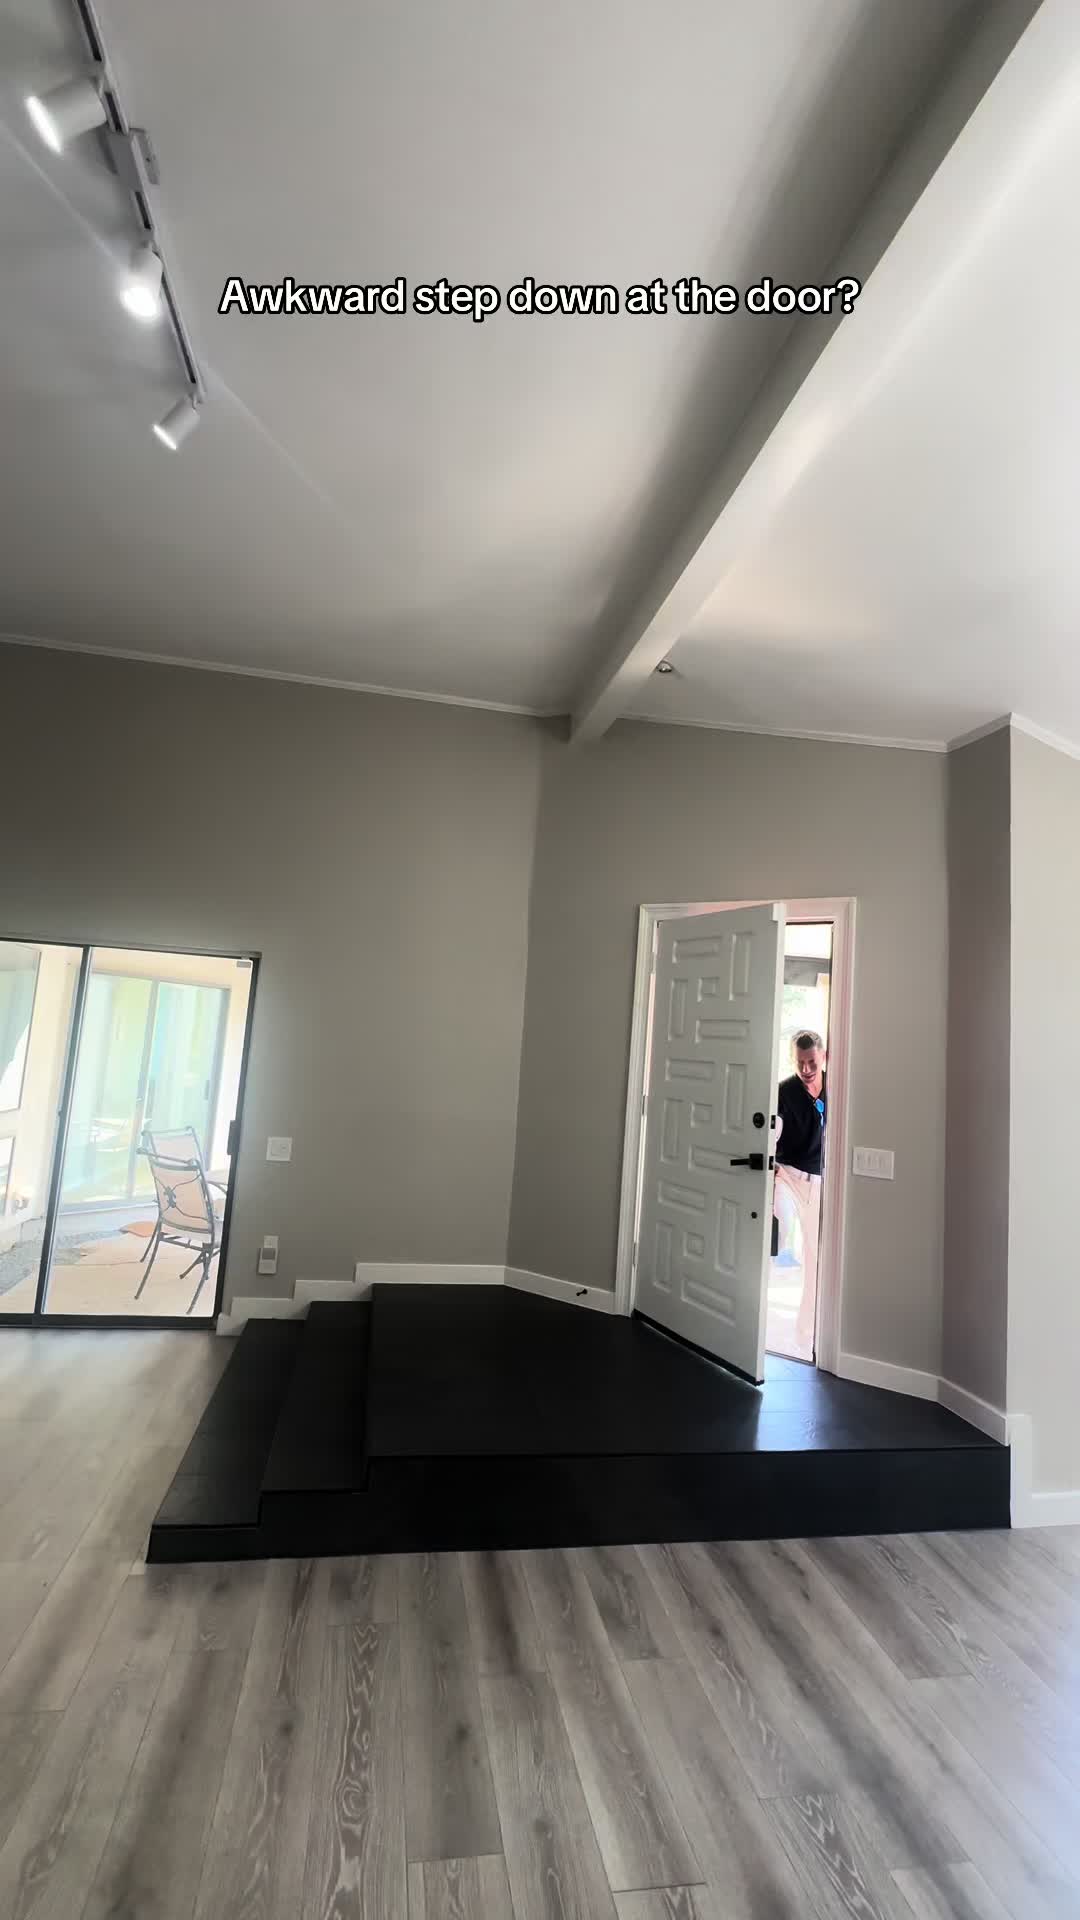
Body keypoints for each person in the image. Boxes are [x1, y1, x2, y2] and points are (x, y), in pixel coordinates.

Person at [773, 1030, 826, 1357]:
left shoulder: (835, 1087)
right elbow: (772, 1130)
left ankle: (806, 1336)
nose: (806, 1069)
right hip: (787, 1175)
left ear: (823, 1058)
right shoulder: (784, 1091)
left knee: (816, 1259)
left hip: (818, 1182)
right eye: (800, 1062)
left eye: (812, 1063)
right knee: (778, 1234)